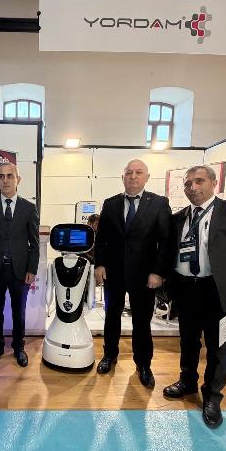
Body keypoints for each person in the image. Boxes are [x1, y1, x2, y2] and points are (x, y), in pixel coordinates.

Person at [163, 165, 226, 428]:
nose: (193, 187)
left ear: (214, 183)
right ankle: (187, 381)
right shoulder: (178, 218)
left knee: (218, 346)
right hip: (186, 288)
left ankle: (212, 396)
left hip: (218, 290)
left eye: (199, 181)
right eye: (188, 183)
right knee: (188, 341)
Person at [94, 159, 171, 387]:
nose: (133, 177)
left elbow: (165, 242)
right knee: (111, 317)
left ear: (147, 177)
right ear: (123, 177)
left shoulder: (159, 203)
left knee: (141, 322)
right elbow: (101, 239)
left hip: (144, 276)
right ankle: (109, 355)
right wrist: (99, 264)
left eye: (138, 173)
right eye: (129, 173)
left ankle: (143, 364)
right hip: (114, 274)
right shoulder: (111, 204)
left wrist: (158, 272)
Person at [0, 162, 40, 367]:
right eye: (1, 176)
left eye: (10, 176)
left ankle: (18, 348)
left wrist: (31, 269)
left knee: (18, 312)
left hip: (19, 271)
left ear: (18, 179)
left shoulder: (29, 208)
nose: (5, 180)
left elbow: (34, 243)